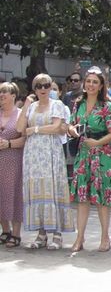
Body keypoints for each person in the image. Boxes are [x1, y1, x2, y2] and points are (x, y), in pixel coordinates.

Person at [68, 68, 111, 253]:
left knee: (102, 199)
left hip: (102, 154)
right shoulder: (78, 103)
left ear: (100, 86)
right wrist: (72, 129)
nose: (90, 85)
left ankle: (105, 237)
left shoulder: (107, 105)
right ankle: (79, 238)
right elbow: (70, 123)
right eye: (88, 81)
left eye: (95, 82)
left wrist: (97, 142)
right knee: (82, 198)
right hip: (84, 153)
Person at [20, 73, 72, 250]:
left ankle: (57, 234)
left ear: (51, 87)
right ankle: (41, 233)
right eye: (38, 86)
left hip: (50, 151)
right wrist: (26, 104)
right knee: (37, 189)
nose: (43, 89)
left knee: (53, 188)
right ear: (34, 89)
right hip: (33, 154)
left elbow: (56, 127)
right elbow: (20, 128)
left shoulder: (57, 104)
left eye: (46, 85)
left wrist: (34, 129)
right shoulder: (32, 106)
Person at [0, 82, 25, 248]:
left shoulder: (20, 115)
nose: (1, 95)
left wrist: (8, 143)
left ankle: (16, 234)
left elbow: (25, 138)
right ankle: (5, 230)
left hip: (14, 159)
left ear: (14, 95)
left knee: (15, 195)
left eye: (4, 92)